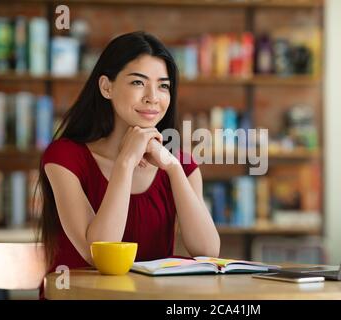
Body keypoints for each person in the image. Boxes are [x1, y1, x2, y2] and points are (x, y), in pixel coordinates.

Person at [36, 31, 220, 298]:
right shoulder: (64, 157)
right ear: (106, 87)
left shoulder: (180, 165)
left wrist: (173, 168)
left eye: (163, 86)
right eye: (138, 82)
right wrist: (125, 162)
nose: (152, 97)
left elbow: (207, 251)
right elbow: (98, 254)